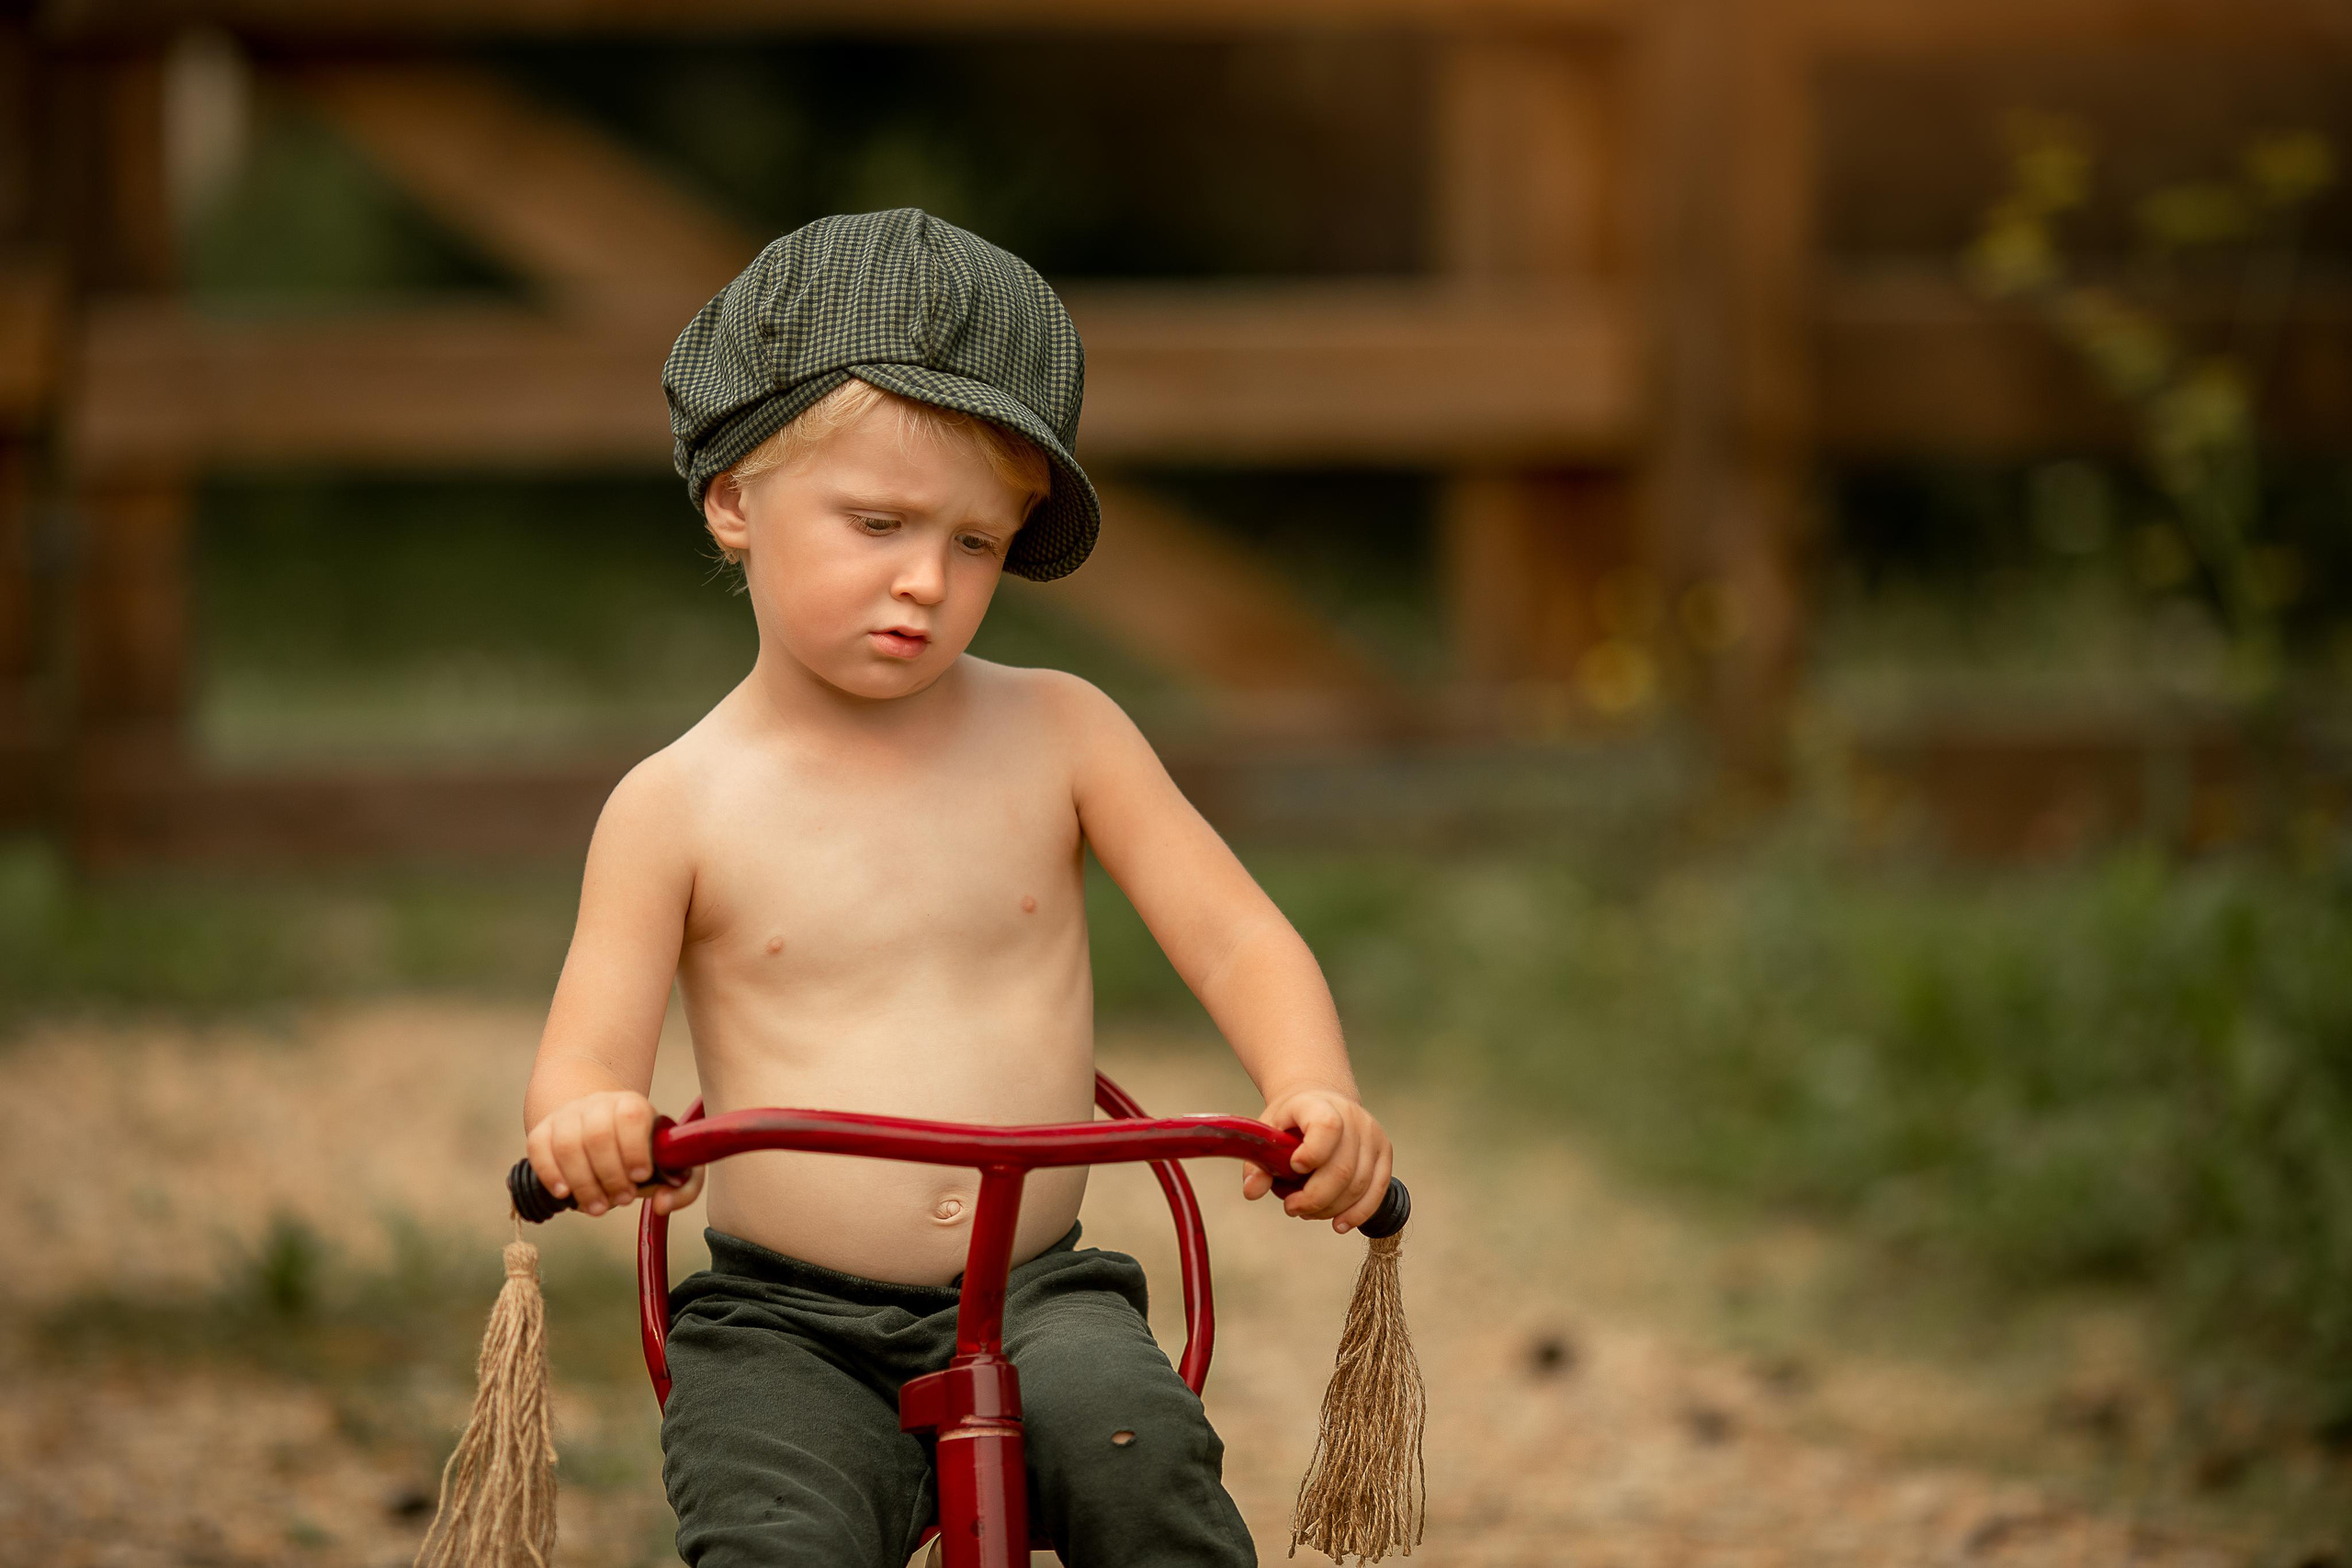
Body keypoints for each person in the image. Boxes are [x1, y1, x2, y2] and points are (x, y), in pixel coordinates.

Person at [519, 209, 1394, 1568]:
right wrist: (586, 1119)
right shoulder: (676, 804)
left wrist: (1314, 1085)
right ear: (736, 499)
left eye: (978, 543)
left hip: (1045, 1290)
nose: (926, 580)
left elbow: (1232, 934)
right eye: (877, 522)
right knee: (775, 1538)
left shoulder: (1066, 734)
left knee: (1147, 1470)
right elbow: (588, 1047)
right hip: (782, 1321)